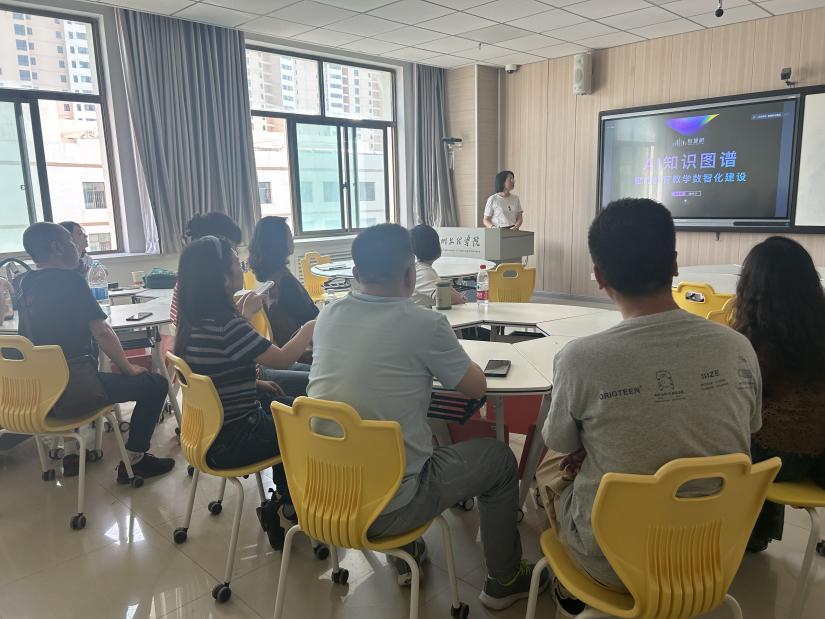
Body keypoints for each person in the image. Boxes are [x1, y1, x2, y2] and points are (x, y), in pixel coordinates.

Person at [535, 199, 761, 617]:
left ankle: (570, 589)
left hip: (610, 564)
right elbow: (749, 425)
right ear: (674, 264)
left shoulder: (580, 359)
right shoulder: (739, 348)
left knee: (551, 461)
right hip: (713, 555)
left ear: (599, 277)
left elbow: (561, 442)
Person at [308, 223, 548, 610]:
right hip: (390, 506)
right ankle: (504, 579)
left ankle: (407, 551)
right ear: (410, 273)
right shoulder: (424, 323)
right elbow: (476, 388)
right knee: (499, 459)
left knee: (387, 428)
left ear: (355, 273)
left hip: (323, 495)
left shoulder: (328, 316)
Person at [175, 235, 315, 543]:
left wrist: (255, 382)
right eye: (236, 263)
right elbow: (283, 357)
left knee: (289, 404)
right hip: (236, 438)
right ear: (224, 279)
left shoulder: (193, 322)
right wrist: (310, 327)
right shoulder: (228, 325)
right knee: (307, 424)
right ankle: (287, 504)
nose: (243, 268)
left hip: (207, 434)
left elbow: (214, 373)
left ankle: (287, 498)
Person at [19, 223, 175, 482]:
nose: (76, 247)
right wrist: (127, 368)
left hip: (38, 394)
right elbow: (102, 332)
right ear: (57, 247)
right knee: (155, 383)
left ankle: (79, 451)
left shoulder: (25, 283)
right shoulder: (70, 281)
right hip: (74, 390)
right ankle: (135, 460)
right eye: (71, 241)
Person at [732, 237, 825, 552]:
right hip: (819, 457)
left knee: (738, 432)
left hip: (769, 461)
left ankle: (750, 532)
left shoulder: (749, 341)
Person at [248, 215, 318, 353]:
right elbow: (312, 319)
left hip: (287, 346)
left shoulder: (270, 279)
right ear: (278, 242)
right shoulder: (285, 283)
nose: (292, 239)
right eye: (289, 234)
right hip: (304, 351)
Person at [169, 212, 243, 326]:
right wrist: (246, 315)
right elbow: (225, 328)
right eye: (233, 248)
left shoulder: (190, 282)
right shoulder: (209, 292)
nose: (237, 253)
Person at [409, 224, 467, 307]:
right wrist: (461, 298)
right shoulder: (423, 272)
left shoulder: (419, 268)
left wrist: (460, 297)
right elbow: (452, 300)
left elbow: (452, 293)